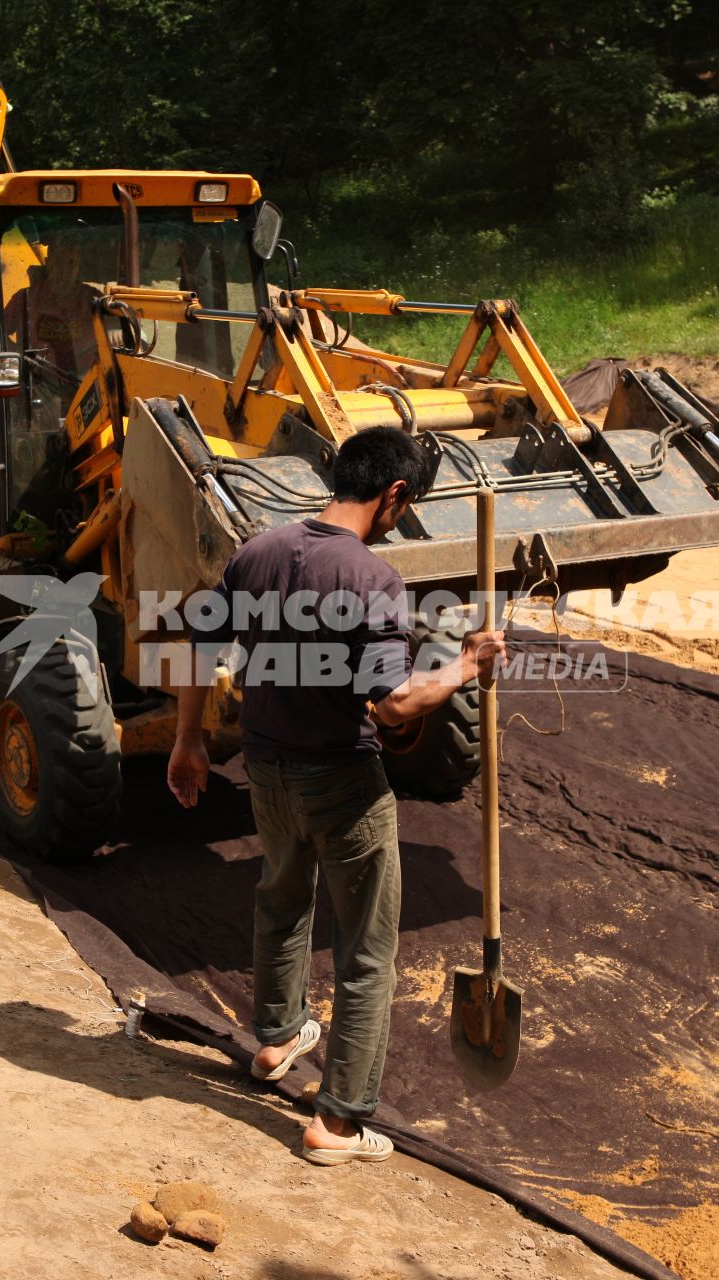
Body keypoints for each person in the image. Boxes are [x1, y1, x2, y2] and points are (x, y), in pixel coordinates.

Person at [167, 426, 505, 1166]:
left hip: (266, 770)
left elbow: (195, 641)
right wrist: (464, 664)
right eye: (404, 507)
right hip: (343, 782)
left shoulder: (257, 551)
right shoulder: (369, 578)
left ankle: (277, 1038)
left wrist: (189, 739)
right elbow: (390, 705)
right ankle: (339, 1123)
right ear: (395, 495)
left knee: (281, 898)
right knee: (364, 951)